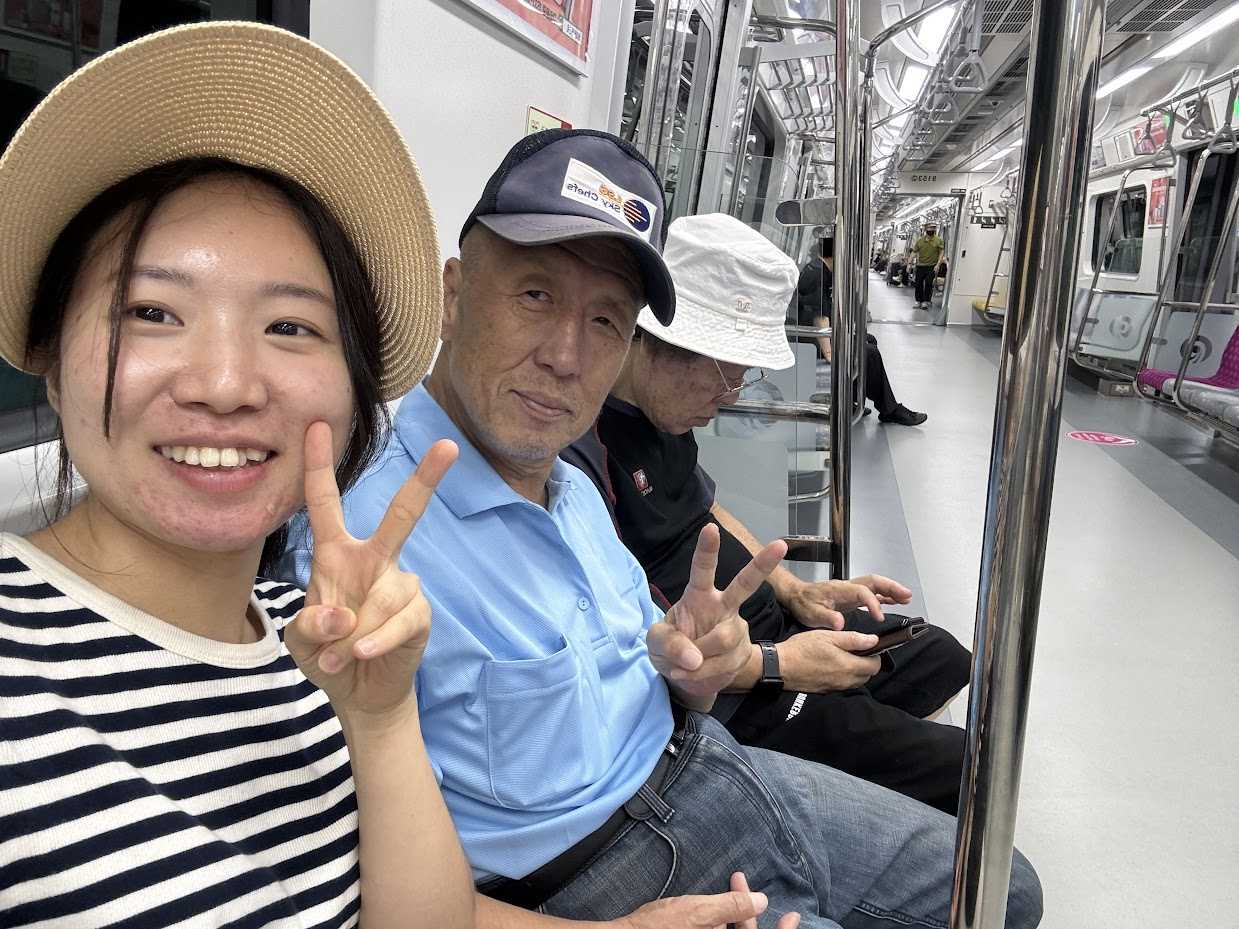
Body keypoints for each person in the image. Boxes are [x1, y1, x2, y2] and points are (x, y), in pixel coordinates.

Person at [283, 129, 1043, 929]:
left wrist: (698, 664)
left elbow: (657, 671)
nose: (566, 356)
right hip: (599, 878)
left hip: (715, 763)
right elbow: (364, 893)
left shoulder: (571, 488)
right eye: (535, 295)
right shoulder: (356, 545)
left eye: (606, 320)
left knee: (1005, 890)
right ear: (452, 294)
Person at [0, 23, 474, 927]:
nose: (224, 385)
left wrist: (381, 723)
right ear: (53, 364)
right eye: (152, 311)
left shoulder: (314, 638)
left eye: (290, 327)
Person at [564, 212, 969, 813]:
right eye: (721, 373)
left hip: (772, 633)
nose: (731, 396)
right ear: (653, 338)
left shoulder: (667, 414)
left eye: (741, 375)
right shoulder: (580, 455)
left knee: (940, 655)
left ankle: (862, 762)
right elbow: (631, 641)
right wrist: (780, 666)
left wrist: (793, 591)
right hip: (731, 691)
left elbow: (706, 506)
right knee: (967, 769)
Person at [797, 237, 928, 426]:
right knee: (868, 353)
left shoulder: (823, 269)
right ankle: (889, 410)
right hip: (810, 339)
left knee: (869, 339)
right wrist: (829, 352)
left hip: (820, 334)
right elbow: (819, 318)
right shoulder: (817, 274)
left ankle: (850, 402)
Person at [911, 221, 946, 310]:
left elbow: (941, 252)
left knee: (929, 283)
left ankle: (925, 301)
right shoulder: (920, 241)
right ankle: (918, 300)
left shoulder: (938, 240)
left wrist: (938, 265)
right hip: (920, 265)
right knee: (918, 283)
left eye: (934, 227)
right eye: (930, 227)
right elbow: (914, 252)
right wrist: (909, 263)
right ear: (926, 228)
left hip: (931, 266)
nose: (932, 229)